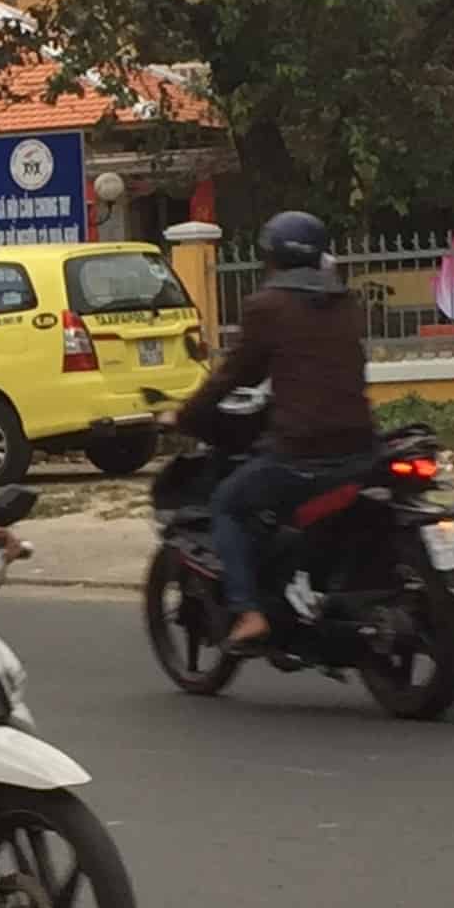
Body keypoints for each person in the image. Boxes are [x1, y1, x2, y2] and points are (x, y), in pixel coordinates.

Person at [173, 210, 377, 651]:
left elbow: (236, 374)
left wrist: (187, 415)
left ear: (272, 258)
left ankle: (249, 612)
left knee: (228, 503)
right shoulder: (344, 301)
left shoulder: (267, 306)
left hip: (303, 453)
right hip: (362, 447)